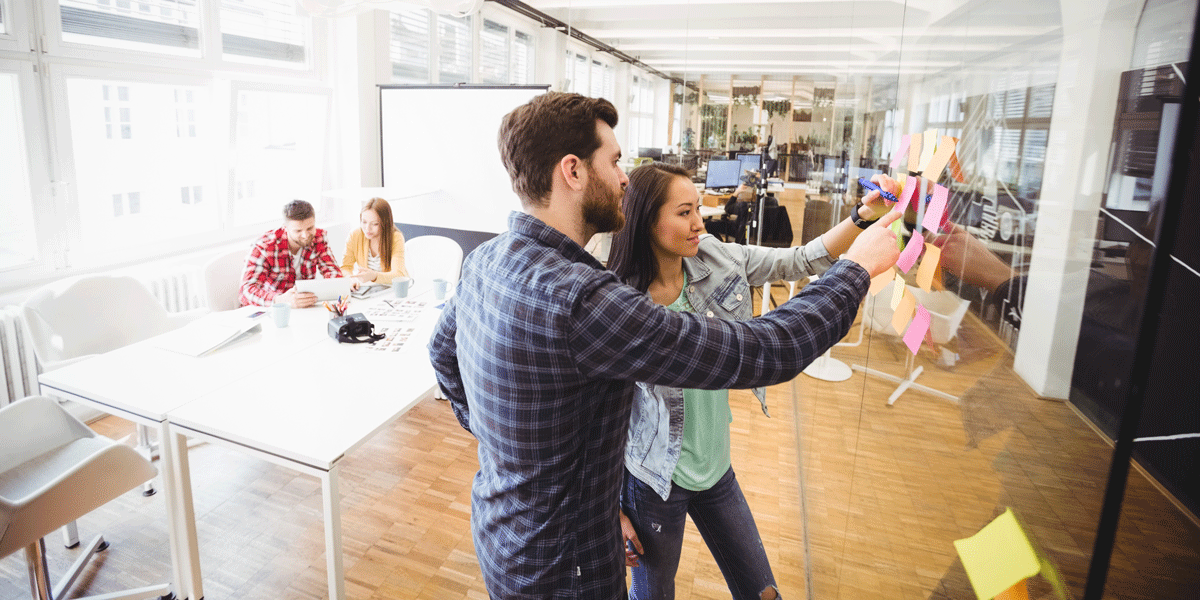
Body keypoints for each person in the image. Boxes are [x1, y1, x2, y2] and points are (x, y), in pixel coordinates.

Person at [426, 91, 902, 599]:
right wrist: (857, 270)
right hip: (569, 569)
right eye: (613, 161)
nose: (624, 177)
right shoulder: (584, 301)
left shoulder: (487, 260)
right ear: (573, 171)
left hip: (502, 537)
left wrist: (507, 450)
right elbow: (766, 351)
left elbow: (441, 353)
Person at [608, 162, 897, 600]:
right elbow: (600, 419)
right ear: (648, 220)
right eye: (684, 212)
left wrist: (861, 217)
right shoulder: (621, 305)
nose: (699, 222)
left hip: (715, 468)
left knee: (763, 592)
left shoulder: (715, 256)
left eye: (697, 209)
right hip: (654, 481)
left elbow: (801, 259)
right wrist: (613, 510)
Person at [239, 199, 347, 308]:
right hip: (275, 308)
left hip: (304, 307)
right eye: (298, 231)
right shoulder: (265, 246)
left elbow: (331, 270)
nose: (305, 235)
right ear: (285, 228)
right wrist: (281, 300)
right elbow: (245, 291)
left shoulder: (318, 237)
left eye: (310, 228)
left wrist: (337, 286)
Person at [341, 197, 409, 286]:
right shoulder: (355, 235)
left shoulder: (396, 237)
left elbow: (399, 275)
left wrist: (374, 276)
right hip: (370, 289)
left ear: (385, 223)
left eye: (375, 224)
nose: (367, 228)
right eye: (364, 222)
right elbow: (344, 267)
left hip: (393, 288)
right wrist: (350, 280)